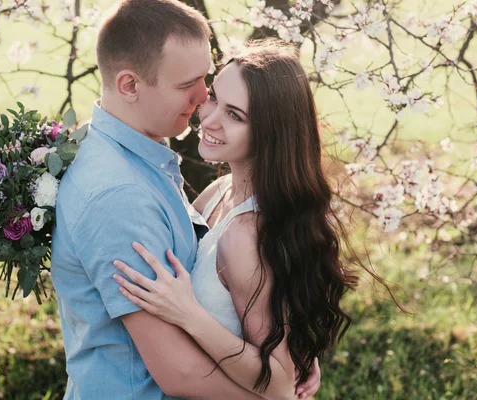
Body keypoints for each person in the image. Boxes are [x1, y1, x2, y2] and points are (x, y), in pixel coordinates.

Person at [51, 0, 320, 399]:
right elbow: (180, 373)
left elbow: (244, 291)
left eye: (206, 83)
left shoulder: (127, 152)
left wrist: (282, 344)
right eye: (188, 86)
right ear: (129, 85)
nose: (200, 102)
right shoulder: (120, 196)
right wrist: (276, 391)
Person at [112, 41, 362, 399]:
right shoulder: (220, 190)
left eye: (235, 115)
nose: (209, 118)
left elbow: (277, 385)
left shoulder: (244, 235)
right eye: (213, 97)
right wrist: (291, 344)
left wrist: (188, 314)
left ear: (270, 132)